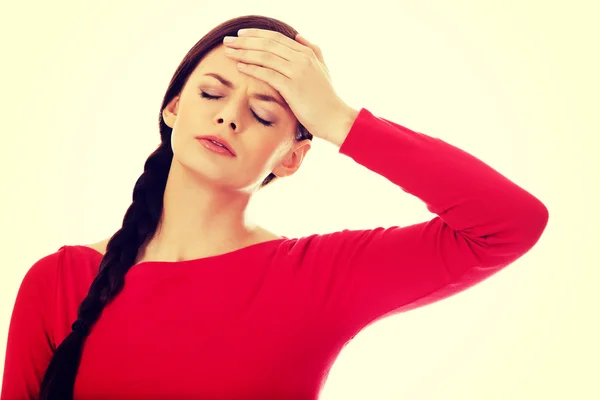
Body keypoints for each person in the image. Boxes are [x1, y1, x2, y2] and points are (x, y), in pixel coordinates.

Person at [1, 14, 549, 400]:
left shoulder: (319, 276)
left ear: (291, 159)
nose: (229, 117)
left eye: (265, 115)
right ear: (172, 108)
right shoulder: (59, 280)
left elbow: (508, 223)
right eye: (212, 94)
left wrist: (338, 118)